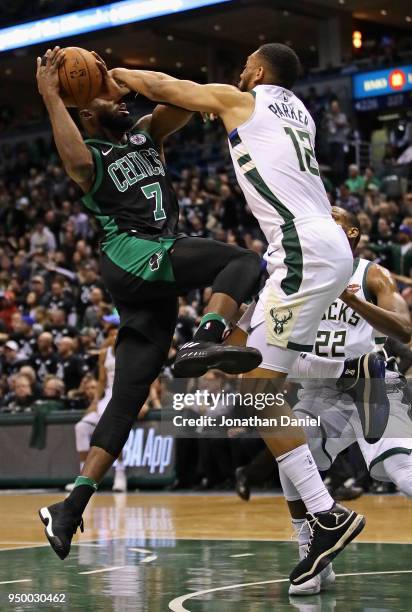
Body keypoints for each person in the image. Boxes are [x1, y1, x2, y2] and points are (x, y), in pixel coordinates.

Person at [110, 42, 379, 585]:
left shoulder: (245, 100)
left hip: (301, 246)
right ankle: (314, 548)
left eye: (244, 66)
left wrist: (116, 74)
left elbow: (167, 90)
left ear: (256, 71)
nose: (238, 72)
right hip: (321, 245)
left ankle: (327, 516)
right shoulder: (297, 112)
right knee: (269, 398)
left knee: (258, 395)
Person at [36, 47, 262, 560]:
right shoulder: (90, 155)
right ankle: (205, 341)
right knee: (243, 262)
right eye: (101, 95)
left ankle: (70, 506)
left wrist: (123, 81)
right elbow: (72, 159)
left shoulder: (144, 135)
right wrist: (53, 95)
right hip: (134, 252)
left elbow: (181, 99)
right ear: (85, 112)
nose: (119, 102)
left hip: (147, 274)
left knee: (129, 394)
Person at [234, 207, 412, 595]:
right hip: (319, 391)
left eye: (332, 220)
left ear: (352, 233)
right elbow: (245, 332)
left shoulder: (371, 274)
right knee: (293, 454)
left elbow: (404, 329)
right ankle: (315, 558)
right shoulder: (293, 280)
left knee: (402, 472)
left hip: (373, 383)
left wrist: (353, 302)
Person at [66, 326, 127, 493]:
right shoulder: (104, 353)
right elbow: (101, 381)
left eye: (116, 333)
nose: (113, 336)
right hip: (107, 397)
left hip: (125, 396)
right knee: (81, 427)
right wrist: (94, 401)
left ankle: (120, 475)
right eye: (110, 334)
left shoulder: (130, 351)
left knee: (114, 431)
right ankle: (83, 478)